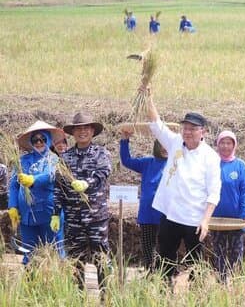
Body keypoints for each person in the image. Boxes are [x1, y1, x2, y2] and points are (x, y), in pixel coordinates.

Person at [144, 91, 221, 282]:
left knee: (196, 264)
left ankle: (195, 298)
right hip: (170, 214)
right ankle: (163, 295)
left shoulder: (210, 157)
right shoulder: (175, 142)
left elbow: (214, 192)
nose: (187, 132)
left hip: (194, 219)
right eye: (184, 128)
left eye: (192, 129)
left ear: (203, 132)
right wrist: (147, 97)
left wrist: (205, 220)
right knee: (165, 260)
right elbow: (157, 124)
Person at [52, 112, 112, 294]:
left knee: (102, 259)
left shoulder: (101, 153)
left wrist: (88, 183)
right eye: (78, 129)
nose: (82, 132)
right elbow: (59, 187)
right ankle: (77, 297)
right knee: (75, 260)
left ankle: (106, 297)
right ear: (73, 133)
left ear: (92, 131)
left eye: (86, 128)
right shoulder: (65, 158)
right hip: (73, 219)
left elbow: (104, 172)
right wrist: (55, 213)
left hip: (96, 218)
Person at [8, 121, 65, 264]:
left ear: (49, 140)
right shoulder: (22, 161)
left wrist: (33, 179)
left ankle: (58, 280)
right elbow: (14, 185)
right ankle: (31, 281)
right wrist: (13, 206)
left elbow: (51, 176)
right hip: (27, 215)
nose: (39, 142)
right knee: (29, 251)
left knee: (55, 251)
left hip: (49, 214)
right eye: (35, 140)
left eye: (43, 139)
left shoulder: (54, 159)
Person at [119, 132, 167, 271]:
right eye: (161, 145)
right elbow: (126, 160)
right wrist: (125, 141)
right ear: (156, 146)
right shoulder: (147, 163)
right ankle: (150, 272)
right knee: (148, 246)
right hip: (147, 213)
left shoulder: (175, 164)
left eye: (167, 146)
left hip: (167, 213)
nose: (164, 149)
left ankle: (164, 274)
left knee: (165, 246)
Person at [211, 130, 245, 280]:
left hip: (236, 218)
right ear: (217, 144)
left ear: (234, 145)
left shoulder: (240, 165)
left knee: (236, 250)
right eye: (222, 142)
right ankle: (222, 280)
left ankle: (235, 279)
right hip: (215, 217)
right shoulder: (212, 163)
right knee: (219, 250)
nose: (225, 146)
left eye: (229, 143)